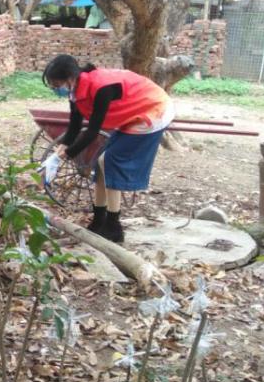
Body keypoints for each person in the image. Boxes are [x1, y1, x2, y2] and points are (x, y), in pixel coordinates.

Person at [42, 54, 173, 243]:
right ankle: (98, 219)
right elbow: (74, 127)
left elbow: (93, 131)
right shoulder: (75, 92)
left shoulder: (101, 87)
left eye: (57, 84)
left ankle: (114, 226)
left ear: (70, 78)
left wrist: (66, 155)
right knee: (101, 164)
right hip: (132, 113)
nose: (56, 89)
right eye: (52, 86)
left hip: (153, 110)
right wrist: (57, 153)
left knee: (108, 162)